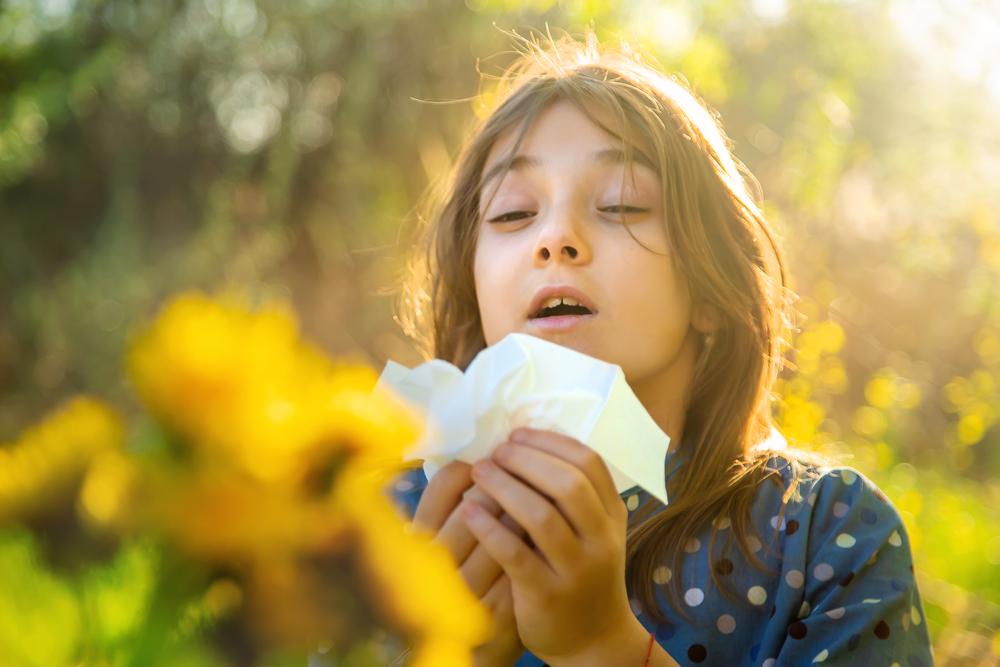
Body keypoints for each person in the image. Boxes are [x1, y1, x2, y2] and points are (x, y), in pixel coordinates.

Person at [386, 28, 934, 667]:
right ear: (472, 284)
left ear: (709, 288)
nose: (556, 237)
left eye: (620, 204)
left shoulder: (825, 532)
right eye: (513, 214)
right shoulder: (376, 521)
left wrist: (603, 646)